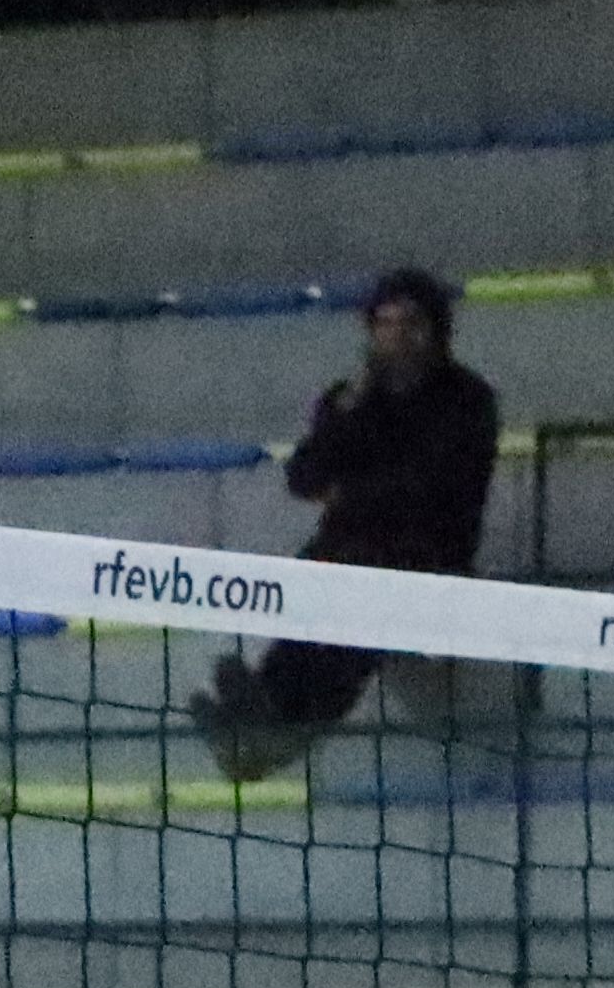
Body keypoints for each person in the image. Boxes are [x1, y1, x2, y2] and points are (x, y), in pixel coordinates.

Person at [194, 265, 501, 781]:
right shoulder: (352, 399)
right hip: (344, 553)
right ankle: (261, 717)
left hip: (423, 560)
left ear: (436, 331)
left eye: (410, 323)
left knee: (354, 603)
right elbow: (303, 475)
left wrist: (350, 493)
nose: (397, 337)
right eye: (385, 324)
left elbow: (432, 489)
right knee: (313, 589)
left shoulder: (467, 401)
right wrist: (349, 412)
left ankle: (280, 730)